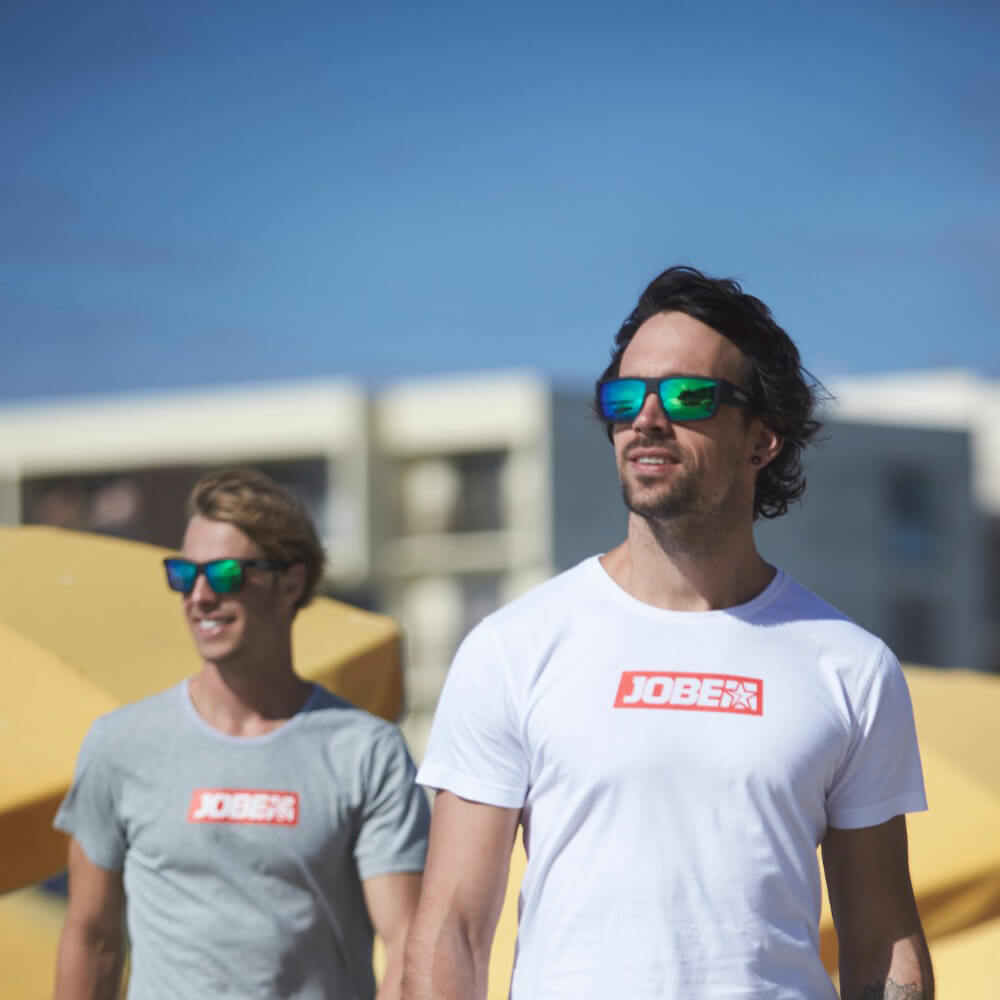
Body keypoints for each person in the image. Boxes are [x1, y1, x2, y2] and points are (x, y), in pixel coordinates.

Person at [404, 266, 933, 999]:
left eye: (688, 397)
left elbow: (881, 940)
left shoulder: (850, 666)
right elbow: (452, 931)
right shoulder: (513, 647)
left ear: (762, 438)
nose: (647, 419)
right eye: (625, 397)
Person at [54, 467, 430, 1000]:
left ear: (291, 583)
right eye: (183, 574)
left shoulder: (366, 752)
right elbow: (92, 938)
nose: (200, 595)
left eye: (226, 573)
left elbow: (407, 942)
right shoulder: (119, 744)